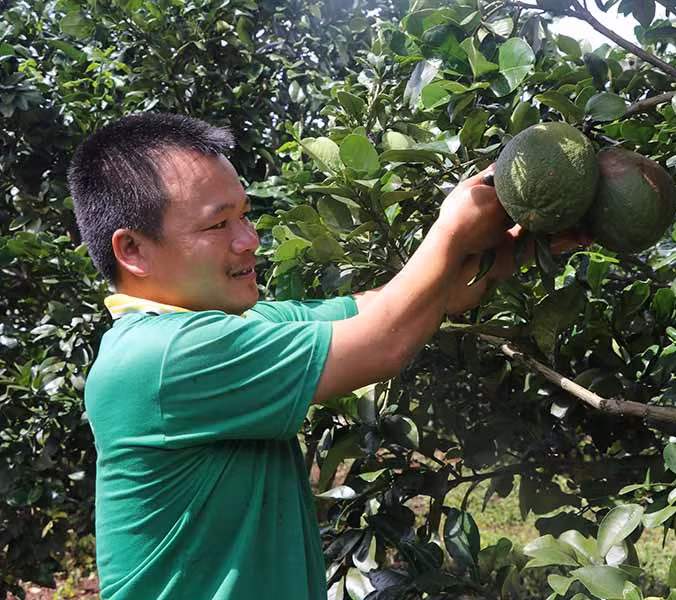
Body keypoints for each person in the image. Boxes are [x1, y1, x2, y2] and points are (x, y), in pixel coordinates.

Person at [68, 112, 578, 599]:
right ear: (133, 250)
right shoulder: (160, 358)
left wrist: (515, 240)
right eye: (218, 225)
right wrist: (450, 229)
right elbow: (383, 341)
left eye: (244, 216)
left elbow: (405, 302)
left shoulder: (236, 326)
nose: (249, 240)